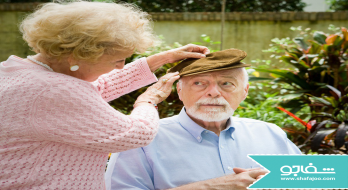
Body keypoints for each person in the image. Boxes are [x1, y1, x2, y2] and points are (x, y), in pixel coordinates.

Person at [0, 1, 210, 189]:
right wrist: (148, 101)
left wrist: (161, 59)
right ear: (80, 54)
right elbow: (136, 133)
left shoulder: (17, 71)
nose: (121, 67)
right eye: (117, 60)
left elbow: (94, 89)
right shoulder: (55, 90)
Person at [107, 49, 302, 190]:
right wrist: (212, 187)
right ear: (179, 91)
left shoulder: (270, 133)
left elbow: (308, 182)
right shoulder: (141, 140)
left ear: (244, 92)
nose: (213, 93)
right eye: (199, 83)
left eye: (227, 83)